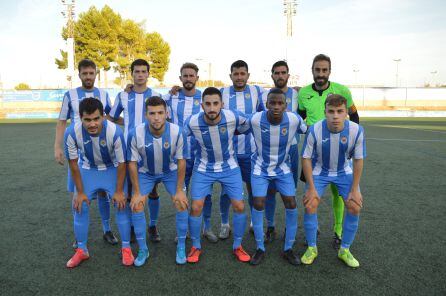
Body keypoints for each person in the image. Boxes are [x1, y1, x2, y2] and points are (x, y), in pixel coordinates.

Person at [298, 54, 360, 249]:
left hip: (339, 151)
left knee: (339, 194)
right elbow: (301, 119)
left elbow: (355, 116)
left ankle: (338, 230)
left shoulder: (342, 90)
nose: (321, 74)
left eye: (325, 70)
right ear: (312, 71)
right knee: (311, 195)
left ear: (329, 71)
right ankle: (312, 230)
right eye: (318, 70)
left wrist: (350, 144)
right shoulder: (303, 93)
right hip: (314, 154)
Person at [183, 87, 251, 264]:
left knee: (239, 205)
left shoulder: (232, 116)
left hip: (229, 167)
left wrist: (236, 131)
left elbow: (248, 125)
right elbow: (180, 138)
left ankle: (237, 245)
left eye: (215, 103)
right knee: (196, 206)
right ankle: (196, 246)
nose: (212, 108)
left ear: (222, 104)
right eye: (208, 104)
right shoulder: (192, 122)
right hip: (204, 168)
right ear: (202, 105)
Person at [55, 58, 117, 247]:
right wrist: (57, 147)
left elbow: (110, 118)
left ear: (96, 74)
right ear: (79, 74)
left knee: (103, 194)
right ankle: (79, 235)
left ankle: (107, 230)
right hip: (79, 151)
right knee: (78, 193)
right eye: (85, 73)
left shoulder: (103, 94)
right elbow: (61, 121)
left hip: (100, 151)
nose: (88, 76)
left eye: (91, 73)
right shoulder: (70, 95)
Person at [64, 98, 132, 268]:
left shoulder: (115, 131)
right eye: (87, 119)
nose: (92, 124)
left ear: (103, 116)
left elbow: (122, 163)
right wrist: (79, 193)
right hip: (88, 169)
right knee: (79, 205)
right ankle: (82, 250)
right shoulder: (71, 132)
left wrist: (118, 191)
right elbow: (73, 163)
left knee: (121, 204)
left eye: (96, 118)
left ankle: (126, 248)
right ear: (80, 117)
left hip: (112, 168)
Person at [300, 94, 365, 268]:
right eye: (331, 111)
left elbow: (358, 160)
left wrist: (355, 189)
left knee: (354, 205)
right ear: (325, 112)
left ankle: (344, 249)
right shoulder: (314, 129)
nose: (335, 116)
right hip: (319, 171)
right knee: (310, 203)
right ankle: (312, 248)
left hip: (344, 171)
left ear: (346, 113)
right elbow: (305, 158)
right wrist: (311, 188)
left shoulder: (356, 130)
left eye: (339, 111)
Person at [243, 88, 306, 265]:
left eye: (280, 103)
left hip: (282, 167)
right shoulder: (255, 119)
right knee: (258, 202)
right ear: (266, 104)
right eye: (273, 103)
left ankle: (288, 248)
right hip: (260, 168)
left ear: (286, 105)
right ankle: (260, 248)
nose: (276, 106)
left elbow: (306, 130)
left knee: (291, 202)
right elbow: (239, 128)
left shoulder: (294, 119)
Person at [127, 96, 189, 266]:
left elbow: (182, 161)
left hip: (170, 171)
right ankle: (143, 249)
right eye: (152, 113)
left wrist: (179, 190)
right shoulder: (135, 133)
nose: (156, 117)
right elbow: (132, 163)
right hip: (146, 172)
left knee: (181, 202)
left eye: (160, 113)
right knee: (137, 204)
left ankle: (181, 246)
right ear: (145, 115)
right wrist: (137, 193)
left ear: (166, 113)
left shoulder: (178, 131)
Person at [108, 59, 163, 242]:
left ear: (148, 74)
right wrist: (129, 125)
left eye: (143, 71)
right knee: (131, 190)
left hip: (150, 147)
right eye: (136, 71)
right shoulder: (123, 95)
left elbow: (162, 118)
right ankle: (132, 226)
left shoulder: (155, 94)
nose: (140, 75)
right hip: (128, 148)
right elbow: (112, 117)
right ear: (132, 74)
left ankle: (153, 226)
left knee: (153, 190)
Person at [164, 63, 217, 243]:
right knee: (181, 193)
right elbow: (153, 103)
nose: (188, 79)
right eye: (185, 76)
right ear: (180, 79)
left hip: (203, 155)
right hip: (179, 156)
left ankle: (207, 227)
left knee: (206, 194)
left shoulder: (204, 98)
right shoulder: (171, 97)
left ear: (197, 78)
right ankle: (184, 229)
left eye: (191, 76)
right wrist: (130, 87)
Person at [218, 60, 265, 239]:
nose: (239, 77)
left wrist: (297, 90)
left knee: (253, 189)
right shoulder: (222, 93)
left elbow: (265, 111)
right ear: (230, 76)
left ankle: (254, 222)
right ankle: (224, 224)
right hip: (228, 153)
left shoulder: (257, 91)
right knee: (225, 191)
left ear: (248, 75)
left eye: (242, 73)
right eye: (235, 74)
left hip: (251, 152)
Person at [260, 60, 300, 243]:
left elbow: (303, 120)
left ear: (288, 75)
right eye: (276, 73)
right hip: (270, 152)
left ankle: (288, 229)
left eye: (283, 72)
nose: (280, 76)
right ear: (272, 75)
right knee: (269, 192)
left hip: (290, 151)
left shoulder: (299, 94)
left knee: (289, 193)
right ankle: (270, 226)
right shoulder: (263, 95)